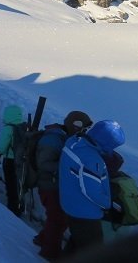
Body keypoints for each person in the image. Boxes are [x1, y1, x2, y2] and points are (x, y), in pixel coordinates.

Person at [32, 110, 92, 260]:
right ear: (75, 125)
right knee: (57, 219)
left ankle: (42, 239)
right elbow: (43, 164)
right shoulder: (53, 138)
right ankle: (50, 254)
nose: (84, 132)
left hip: (58, 185)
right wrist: (68, 166)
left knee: (59, 218)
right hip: (49, 185)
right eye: (83, 128)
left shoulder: (67, 137)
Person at [59, 119, 125, 253]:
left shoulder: (74, 141)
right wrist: (107, 204)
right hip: (85, 212)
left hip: (71, 203)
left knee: (77, 243)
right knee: (92, 250)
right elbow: (92, 191)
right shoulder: (91, 159)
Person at [0, 104, 25, 215]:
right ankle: (20, 205)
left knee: (10, 184)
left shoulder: (8, 128)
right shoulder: (23, 127)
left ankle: (13, 207)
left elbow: (2, 146)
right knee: (18, 184)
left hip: (10, 160)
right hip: (21, 160)